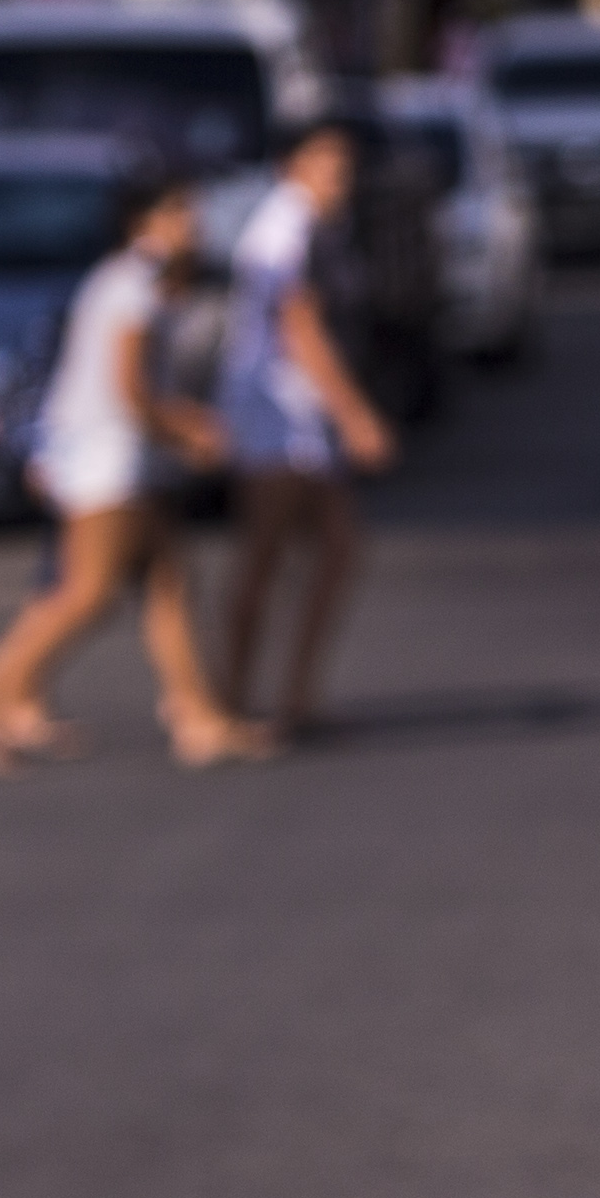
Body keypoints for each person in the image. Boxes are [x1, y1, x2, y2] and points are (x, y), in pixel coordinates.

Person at [0, 170, 259, 774]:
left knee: (168, 585)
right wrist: (190, 429)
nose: (192, 224)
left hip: (121, 458)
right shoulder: (132, 286)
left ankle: (199, 715)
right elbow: (131, 389)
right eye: (179, 211)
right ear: (146, 222)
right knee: (88, 592)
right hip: (106, 461)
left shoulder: (134, 282)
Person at [216, 114, 400, 734]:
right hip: (273, 414)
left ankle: (296, 696)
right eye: (324, 160)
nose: (339, 175)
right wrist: (356, 416)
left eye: (344, 161)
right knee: (265, 555)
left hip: (303, 415)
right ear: (291, 164)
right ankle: (230, 697)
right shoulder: (284, 228)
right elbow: (301, 328)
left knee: (336, 550)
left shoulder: (325, 224)